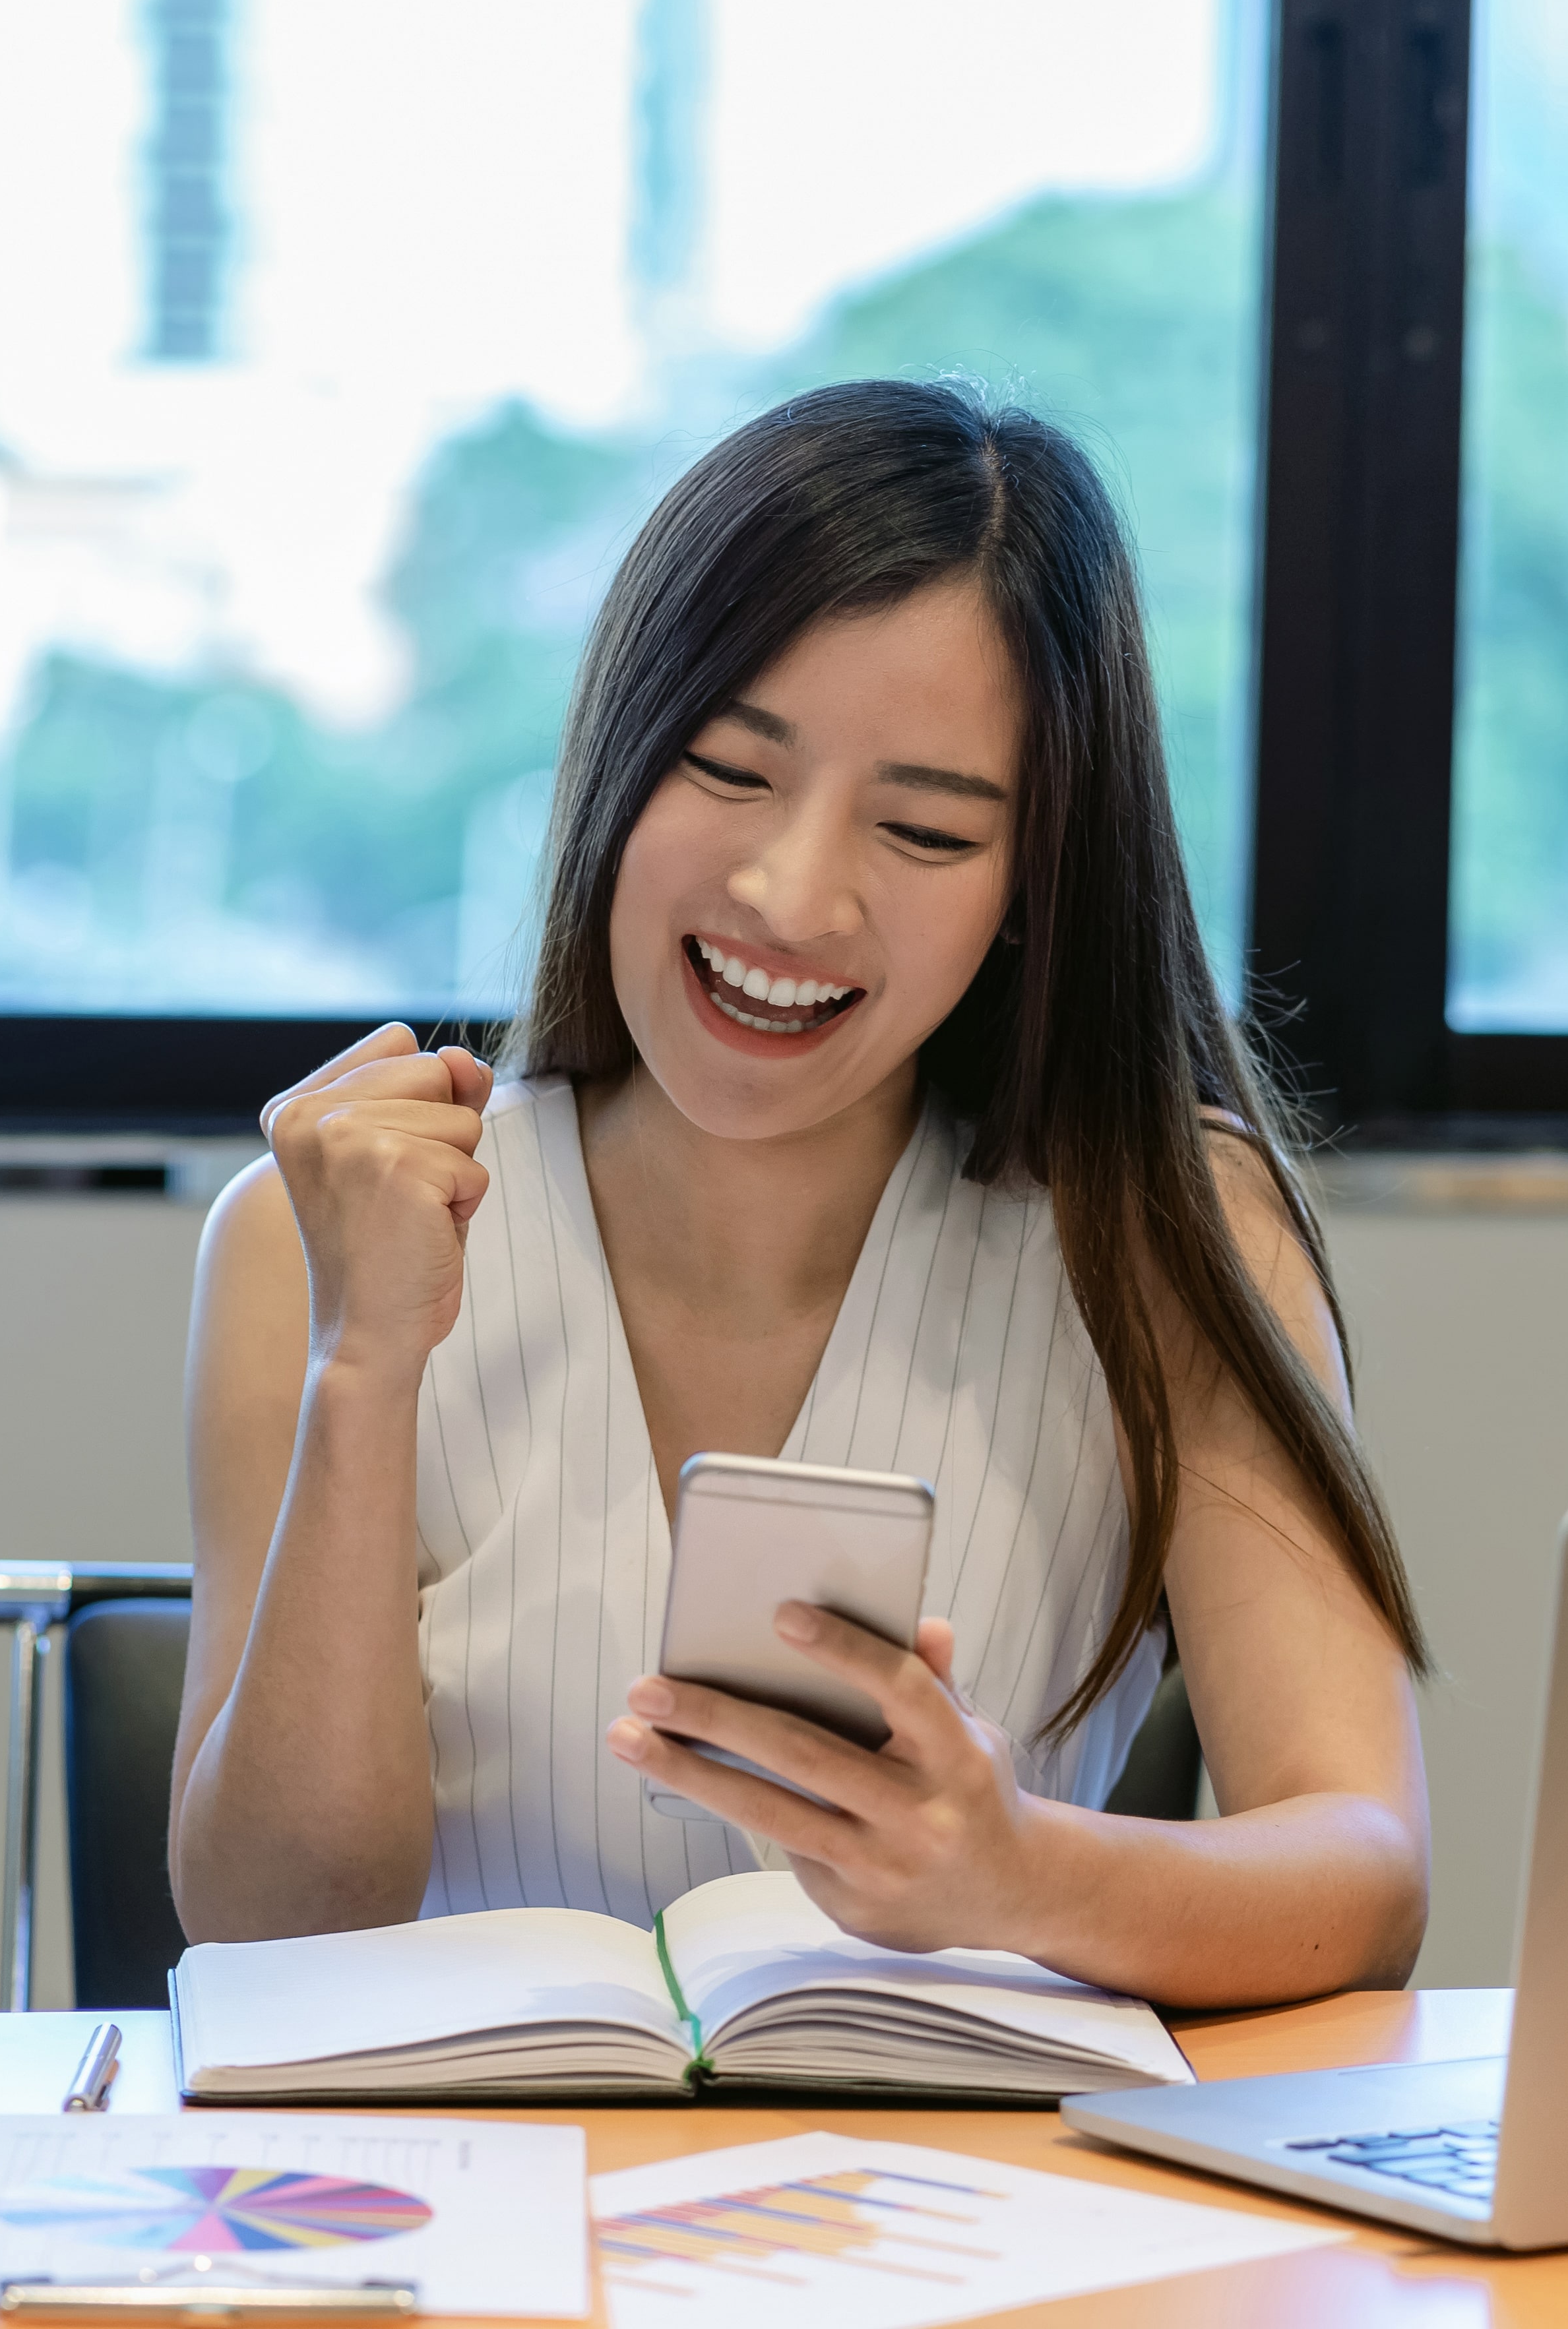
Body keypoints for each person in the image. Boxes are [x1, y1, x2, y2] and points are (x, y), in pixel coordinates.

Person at [170, 379, 1429, 2008]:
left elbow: (1365, 1871)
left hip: (989, 2217)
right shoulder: (308, 1236)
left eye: (921, 826)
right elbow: (271, 1932)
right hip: (474, 2209)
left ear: (1031, 885)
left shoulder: (1172, 1233)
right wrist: (366, 1364)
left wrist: (1016, 1868)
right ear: (619, 753)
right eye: (729, 767)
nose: (791, 892)